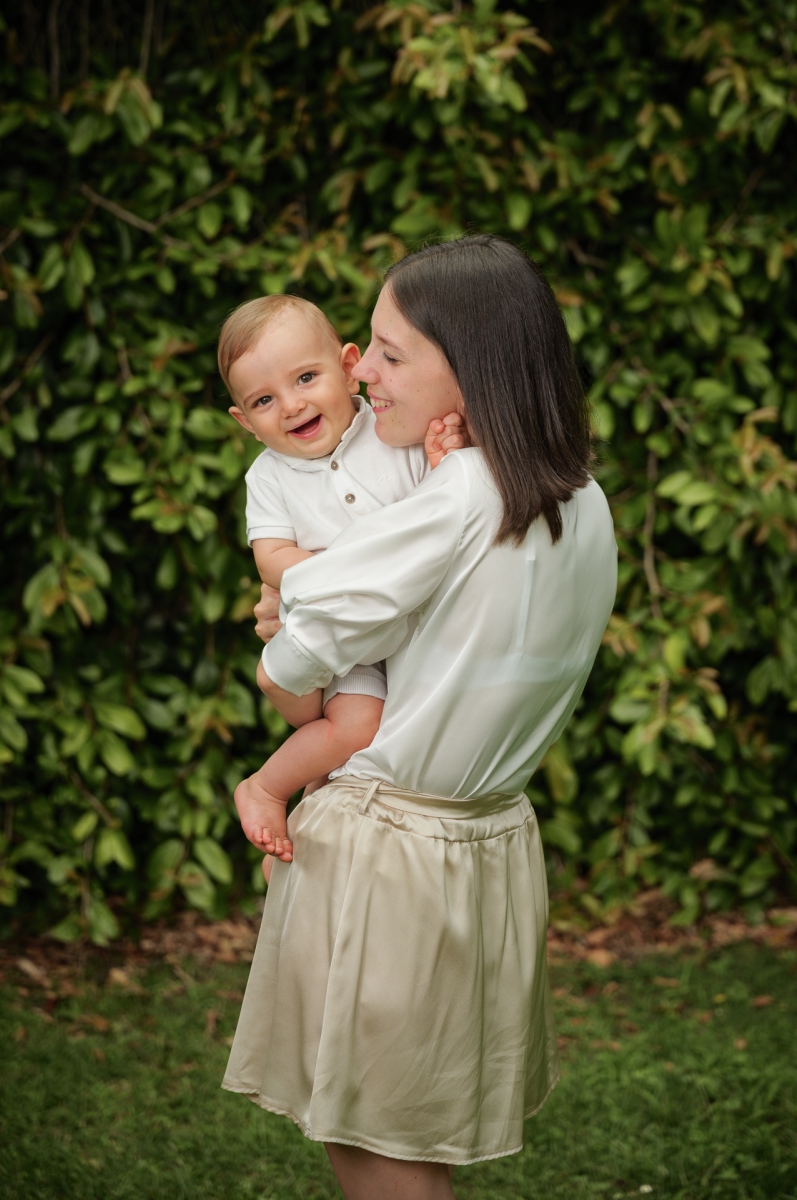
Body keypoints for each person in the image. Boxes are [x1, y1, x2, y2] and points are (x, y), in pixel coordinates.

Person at [223, 235, 617, 1200]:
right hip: (487, 842)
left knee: (375, 1149)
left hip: (387, 855)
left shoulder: (453, 499)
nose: (364, 373)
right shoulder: (584, 500)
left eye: (390, 353)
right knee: (408, 1128)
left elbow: (291, 667)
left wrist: (281, 628)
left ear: (469, 364)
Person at [219, 295, 465, 877]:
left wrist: (437, 464)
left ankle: (314, 801)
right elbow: (271, 558)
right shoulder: (269, 476)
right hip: (340, 641)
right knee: (353, 727)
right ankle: (266, 788)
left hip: (409, 633)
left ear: (350, 366)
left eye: (306, 377)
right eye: (263, 400)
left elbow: (436, 511)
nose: (291, 405)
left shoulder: (389, 431)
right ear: (244, 422)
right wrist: (343, 571)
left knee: (354, 745)